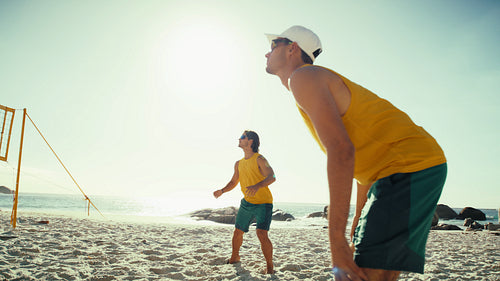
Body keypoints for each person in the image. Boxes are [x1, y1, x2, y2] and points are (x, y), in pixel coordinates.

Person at [264, 25, 447, 281]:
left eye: (274, 45)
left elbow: (342, 151)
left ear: (292, 48)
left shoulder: (303, 77)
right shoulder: (310, 82)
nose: (267, 53)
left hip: (408, 165)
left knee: (363, 273)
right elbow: (363, 171)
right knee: (377, 271)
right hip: (408, 166)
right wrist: (355, 228)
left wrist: (336, 240)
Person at [213, 130, 276, 274]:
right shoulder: (238, 164)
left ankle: (270, 266)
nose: (239, 139)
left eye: (243, 137)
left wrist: (257, 186)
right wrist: (222, 191)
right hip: (247, 203)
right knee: (237, 232)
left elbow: (272, 176)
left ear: (251, 141)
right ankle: (234, 257)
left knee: (261, 233)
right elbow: (234, 181)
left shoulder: (260, 159)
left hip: (264, 203)